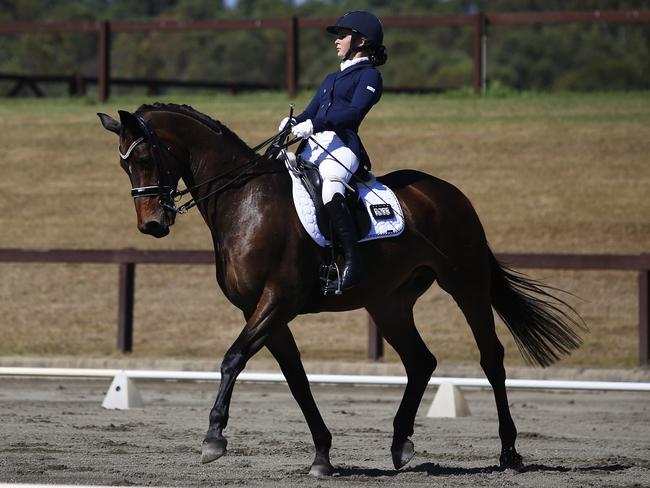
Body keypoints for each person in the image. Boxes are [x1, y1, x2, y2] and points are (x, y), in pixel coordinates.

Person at [279, 10, 387, 292]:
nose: (336, 41)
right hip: (316, 144)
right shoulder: (330, 78)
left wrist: (314, 124)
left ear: (361, 42)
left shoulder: (370, 76)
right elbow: (309, 112)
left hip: (343, 146)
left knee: (330, 188)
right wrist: (294, 122)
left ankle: (353, 262)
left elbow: (353, 114)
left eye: (342, 35)